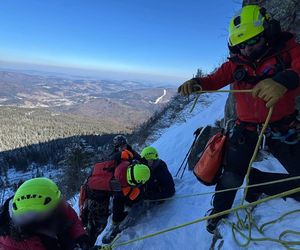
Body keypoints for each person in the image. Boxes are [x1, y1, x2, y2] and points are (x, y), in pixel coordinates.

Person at [178, 5, 300, 234]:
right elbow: (213, 80)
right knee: (231, 176)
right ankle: (219, 211)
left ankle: (260, 181)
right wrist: (197, 83)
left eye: (252, 42)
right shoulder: (235, 64)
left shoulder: (288, 51)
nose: (246, 49)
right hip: (245, 130)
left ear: (267, 33)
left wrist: (283, 80)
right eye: (241, 45)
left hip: (282, 127)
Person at [0, 177, 89, 250]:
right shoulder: (10, 242)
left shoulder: (54, 204)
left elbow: (73, 221)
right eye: (25, 215)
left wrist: (80, 237)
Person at [80, 158, 150, 244]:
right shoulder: (117, 184)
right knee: (99, 221)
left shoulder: (125, 164)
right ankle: (91, 238)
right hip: (95, 192)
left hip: (95, 174)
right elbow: (119, 200)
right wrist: (117, 219)